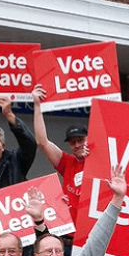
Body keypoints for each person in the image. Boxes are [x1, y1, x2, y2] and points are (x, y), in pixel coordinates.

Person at [31, 84, 89, 222]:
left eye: (80, 140)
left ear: (89, 139)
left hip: (92, 235)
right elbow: (42, 142)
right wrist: (37, 106)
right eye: (72, 142)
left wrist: (93, 160)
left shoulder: (102, 163)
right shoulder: (68, 163)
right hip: (68, 235)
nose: (77, 145)